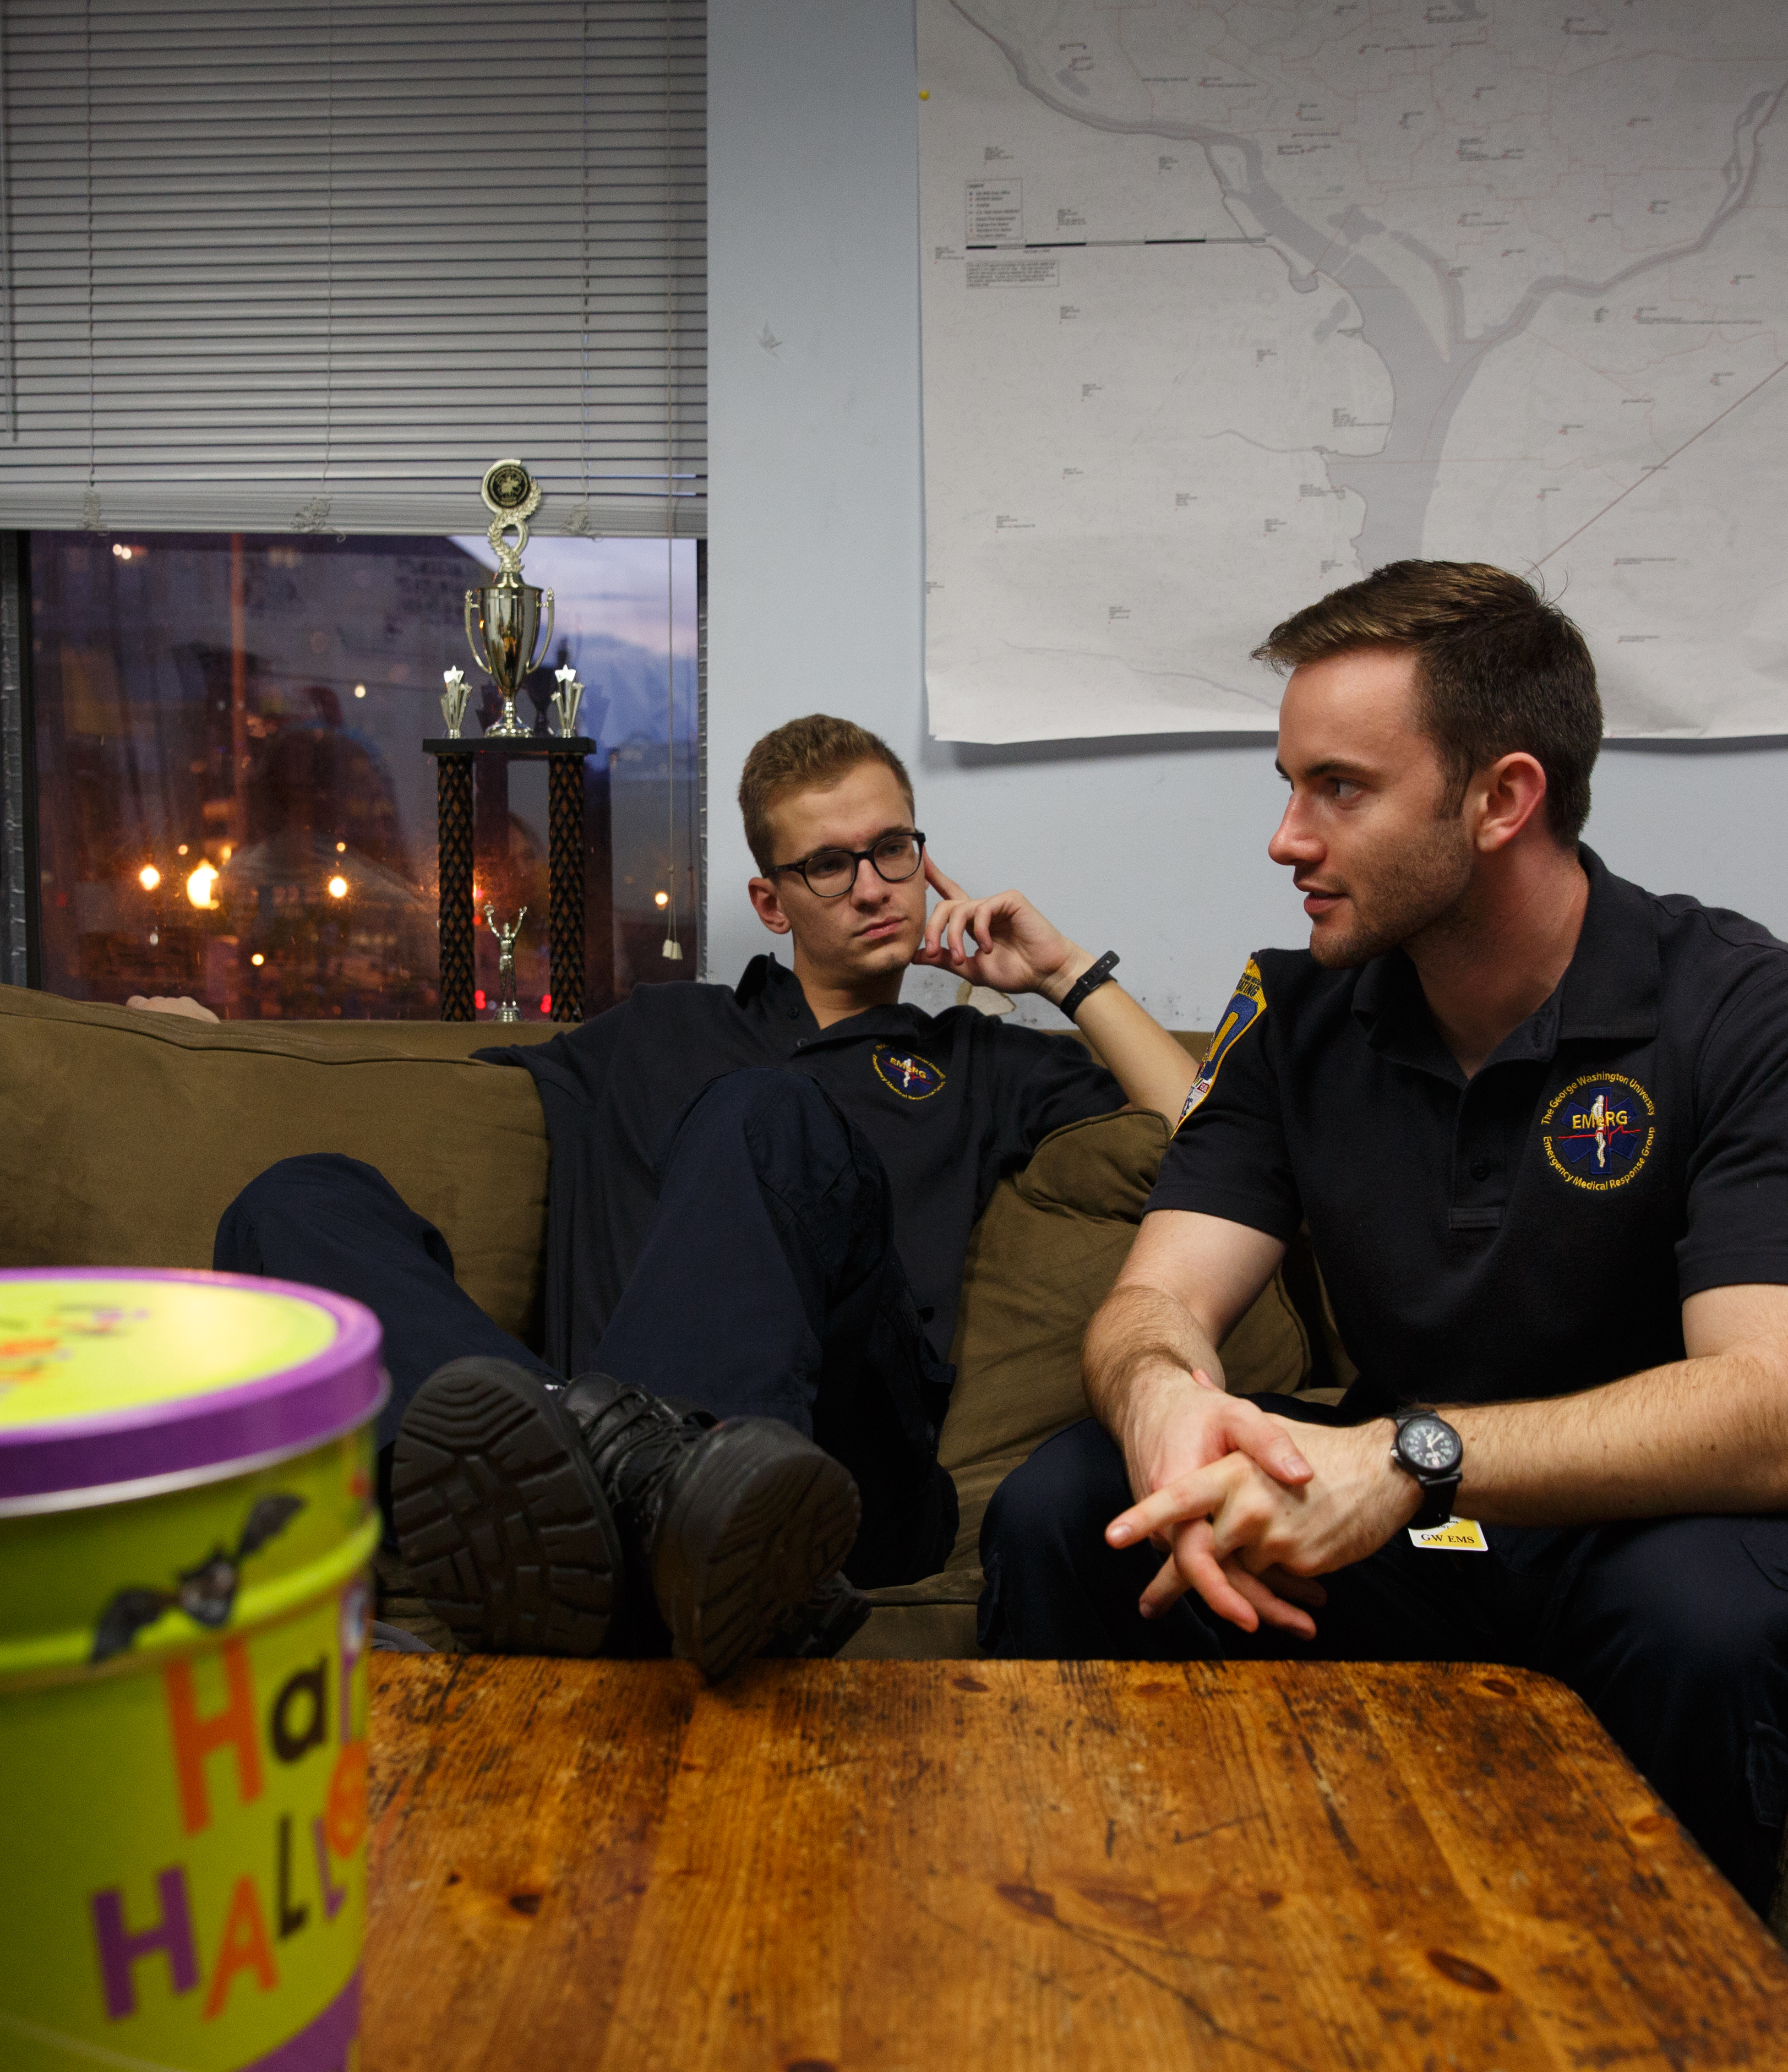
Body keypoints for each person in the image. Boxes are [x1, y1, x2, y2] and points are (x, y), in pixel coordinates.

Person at [977, 561, 1788, 1910]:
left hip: (1666, 1538)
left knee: (1705, 1616)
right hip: (1424, 1532)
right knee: (1075, 1508)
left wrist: (1411, 1459)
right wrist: (1161, 1406)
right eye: (1288, 785)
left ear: (1502, 800)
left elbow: (1784, 1417)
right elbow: (1155, 1302)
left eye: (1339, 789)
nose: (1286, 838)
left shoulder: (1760, 1014)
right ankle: (1116, 1971)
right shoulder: (1299, 1015)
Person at [215, 715, 1196, 1678]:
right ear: (772, 904)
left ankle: (666, 1503)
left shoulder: (974, 1060)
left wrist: (1063, 974)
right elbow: (412, 1085)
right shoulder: (657, 1029)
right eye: (829, 865)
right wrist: (221, 1039)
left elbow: (1210, 1133)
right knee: (294, 1198)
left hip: (847, 1474)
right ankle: (608, 1497)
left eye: (892, 850)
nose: (871, 887)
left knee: (769, 1111)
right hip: (587, 1488)